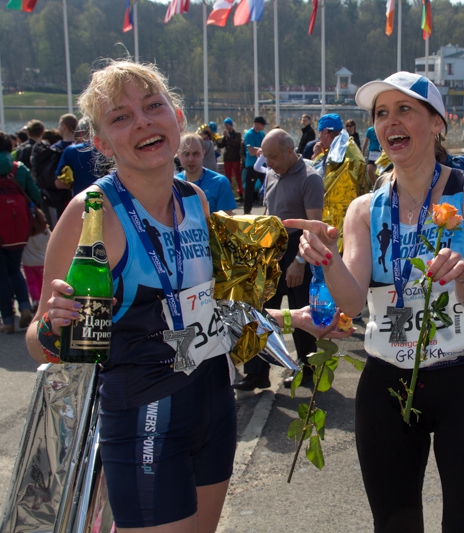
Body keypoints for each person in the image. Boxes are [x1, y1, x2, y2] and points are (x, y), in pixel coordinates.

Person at [23, 60, 349, 533]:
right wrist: (54, 325)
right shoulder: (91, 212)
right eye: (120, 117)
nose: (142, 122)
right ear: (100, 142)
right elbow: (39, 341)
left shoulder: (194, 199)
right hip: (144, 419)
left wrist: (294, 318)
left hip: (214, 406)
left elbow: (212, 312)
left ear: (177, 116)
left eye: (153, 107)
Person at [287, 71, 464, 533]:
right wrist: (326, 260)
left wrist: (462, 275)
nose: (391, 123)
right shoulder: (364, 208)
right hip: (388, 381)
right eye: (381, 114)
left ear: (437, 123)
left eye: (405, 109)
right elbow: (351, 300)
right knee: (395, 526)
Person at [235, 128, 325, 391]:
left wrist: (299, 260)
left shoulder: (310, 178)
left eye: (272, 157)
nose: (268, 163)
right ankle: (256, 372)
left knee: (301, 314)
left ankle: (307, 369)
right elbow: (268, 209)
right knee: (259, 310)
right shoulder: (273, 172)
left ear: (289, 151)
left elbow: (314, 225)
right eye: (266, 157)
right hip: (271, 246)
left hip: (298, 247)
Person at [311, 113, 368, 251]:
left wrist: (318, 157)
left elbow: (321, 182)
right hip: (353, 222)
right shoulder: (348, 148)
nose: (319, 138)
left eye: (320, 133)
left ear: (325, 132)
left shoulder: (339, 155)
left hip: (336, 224)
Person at [1, 131, 39, 334]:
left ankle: (7, 320)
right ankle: (25, 306)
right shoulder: (19, 169)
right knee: (15, 269)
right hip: (18, 230)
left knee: (0, 274)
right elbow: (35, 195)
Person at [176, 133, 237, 215]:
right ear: (178, 155)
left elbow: (224, 223)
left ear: (203, 154)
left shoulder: (220, 183)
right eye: (186, 154)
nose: (190, 159)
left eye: (195, 153)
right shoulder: (172, 185)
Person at [55, 117, 107, 195]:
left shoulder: (71, 151)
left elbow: (59, 183)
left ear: (81, 133)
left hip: (82, 199)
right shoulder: (108, 148)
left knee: (93, 206)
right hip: (110, 199)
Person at [243, 116, 267, 214]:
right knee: (249, 188)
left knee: (267, 186)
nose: (264, 126)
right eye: (262, 124)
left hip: (263, 164)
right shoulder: (249, 134)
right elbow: (251, 151)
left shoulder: (262, 134)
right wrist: (261, 149)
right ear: (256, 123)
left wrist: (262, 149)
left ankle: (268, 209)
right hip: (252, 165)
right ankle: (247, 211)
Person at [217, 117, 244, 201]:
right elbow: (221, 145)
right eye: (225, 125)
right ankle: (229, 194)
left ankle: (241, 193)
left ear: (231, 125)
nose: (226, 127)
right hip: (227, 159)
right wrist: (221, 138)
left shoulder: (237, 134)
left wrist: (228, 136)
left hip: (235, 158)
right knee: (227, 177)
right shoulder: (226, 135)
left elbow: (235, 143)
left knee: (237, 176)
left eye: (227, 125)